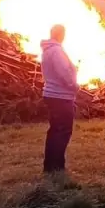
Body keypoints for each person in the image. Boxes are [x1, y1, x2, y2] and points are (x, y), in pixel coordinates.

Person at [40, 24, 77, 173]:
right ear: (61, 34)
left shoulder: (48, 50)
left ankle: (51, 166)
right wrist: (74, 85)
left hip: (52, 94)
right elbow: (64, 72)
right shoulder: (56, 51)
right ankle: (56, 167)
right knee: (62, 131)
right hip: (60, 96)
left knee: (55, 130)